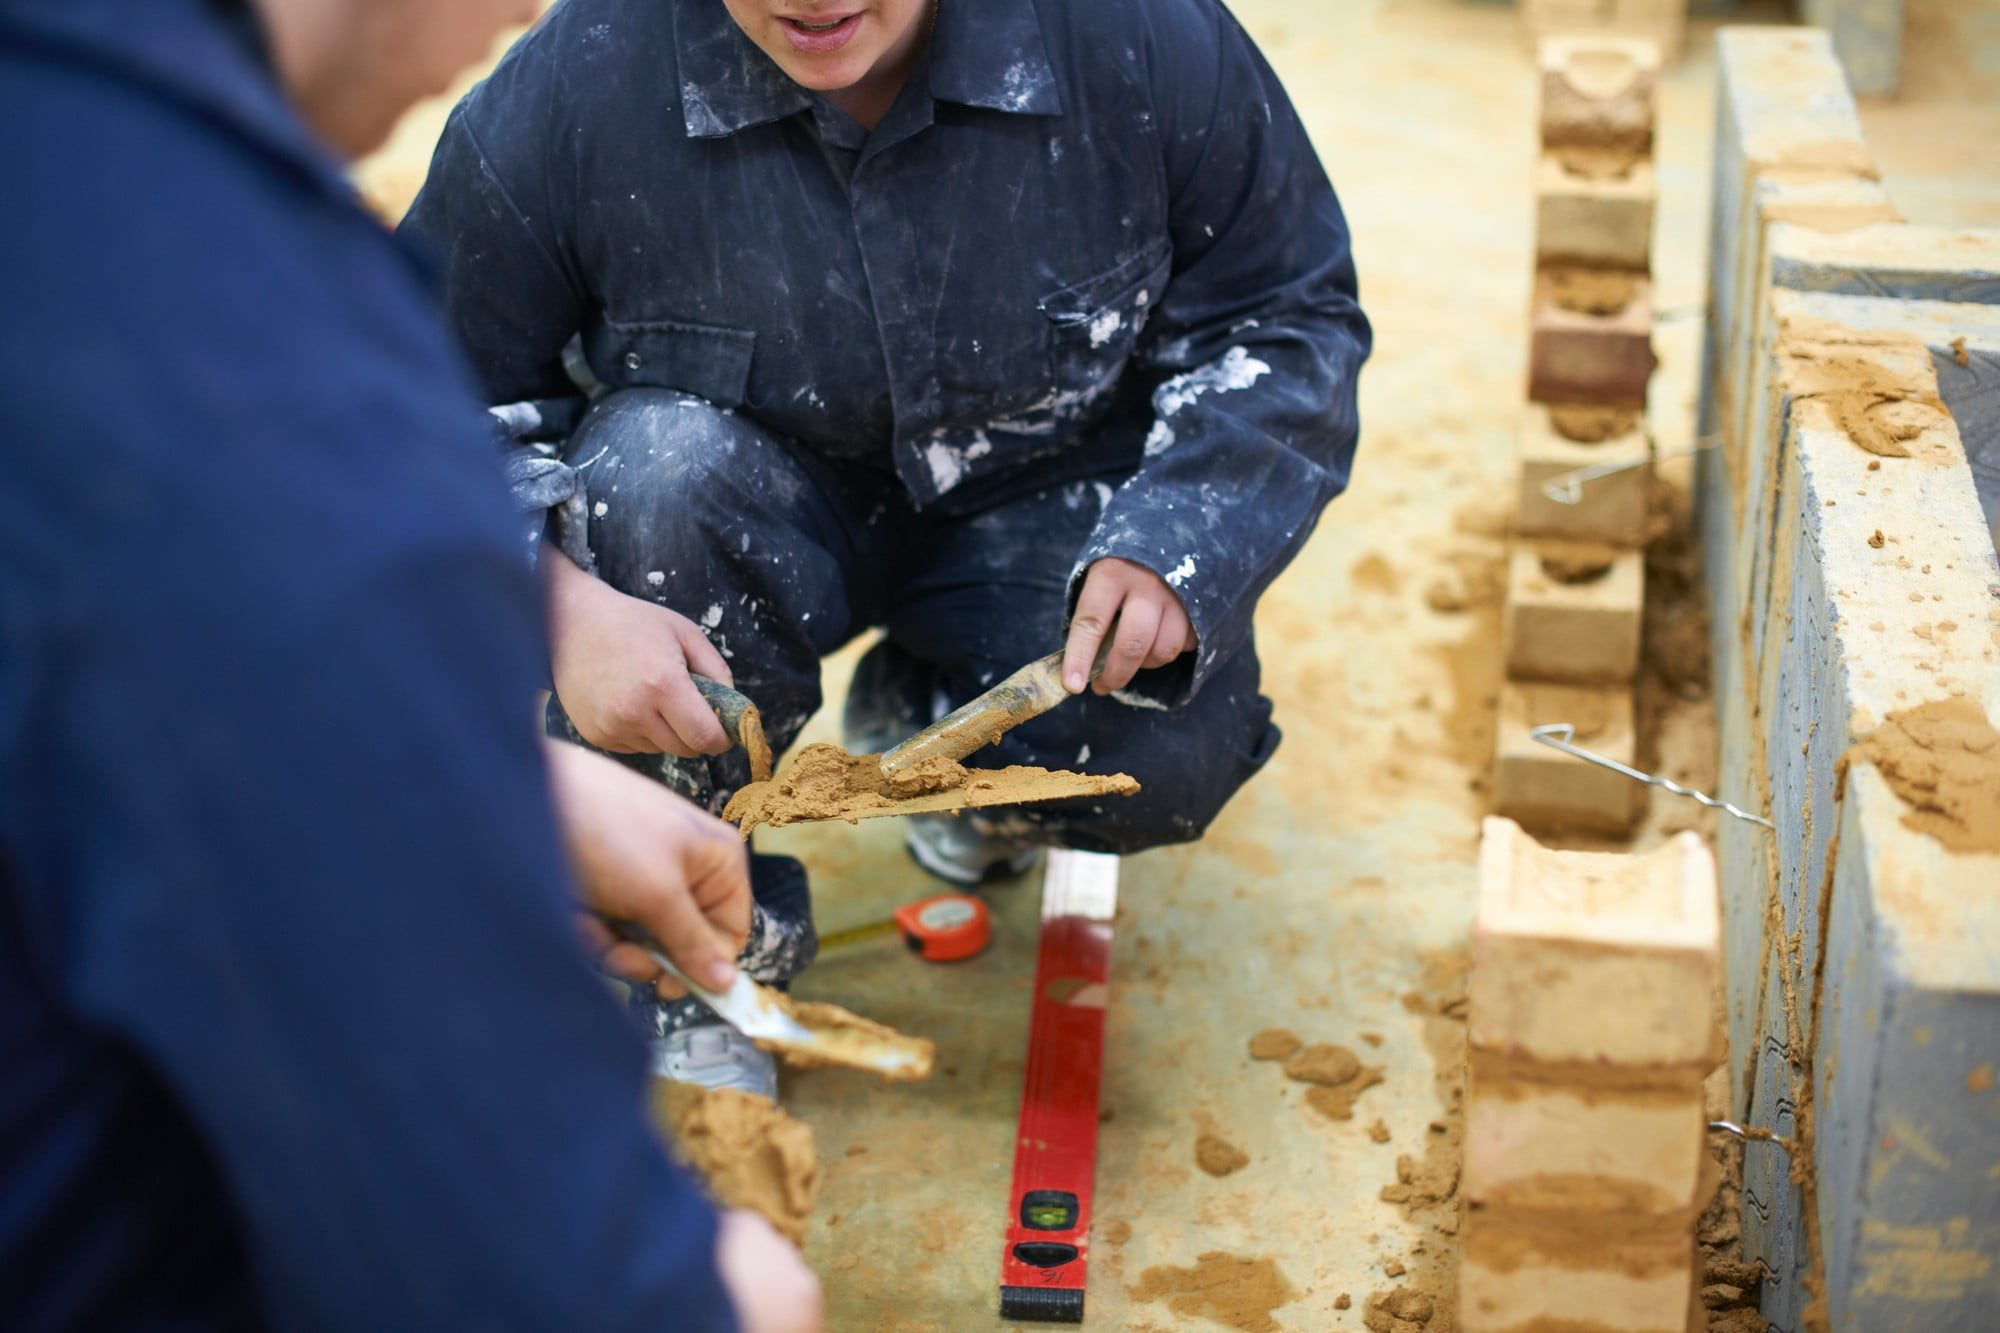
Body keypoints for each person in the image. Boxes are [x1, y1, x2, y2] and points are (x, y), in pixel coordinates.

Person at [0, 0, 820, 1327]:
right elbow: (521, 1269)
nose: (523, 13)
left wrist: (493, 786)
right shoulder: (267, 386)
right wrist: (708, 1292)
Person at [404, 0, 1371, 1099]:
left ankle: (931, 723)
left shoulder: (1138, 37)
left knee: (1153, 748)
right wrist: (557, 605)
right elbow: (407, 398)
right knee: (651, 477)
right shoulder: (576, 84)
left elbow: (1283, 317)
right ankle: (702, 956)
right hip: (723, 509)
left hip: (1038, 492)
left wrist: (1174, 543)